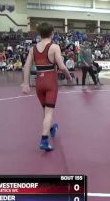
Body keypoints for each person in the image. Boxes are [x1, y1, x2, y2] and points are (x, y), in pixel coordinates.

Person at [21, 22, 73, 151]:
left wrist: (26, 83)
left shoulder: (33, 49)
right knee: (49, 112)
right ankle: (44, 140)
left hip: (39, 83)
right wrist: (68, 77)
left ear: (40, 33)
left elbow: (26, 66)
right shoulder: (54, 47)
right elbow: (61, 66)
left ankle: (51, 127)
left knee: (45, 111)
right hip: (50, 82)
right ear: (52, 33)